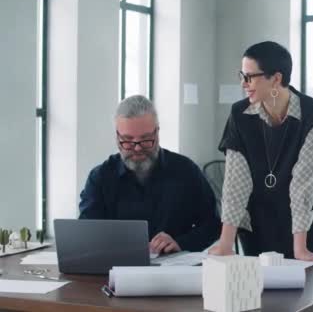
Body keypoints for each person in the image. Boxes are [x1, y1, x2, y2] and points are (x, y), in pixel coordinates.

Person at [209, 41, 313, 262]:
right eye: (241, 76)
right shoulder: (240, 114)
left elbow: (303, 182)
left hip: (303, 231)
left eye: (250, 77)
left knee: (303, 295)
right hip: (257, 225)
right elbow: (237, 181)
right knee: (256, 294)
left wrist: (300, 249)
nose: (244, 84)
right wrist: (225, 243)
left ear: (276, 78)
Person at [79, 95, 221, 254]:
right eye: (128, 141)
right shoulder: (100, 177)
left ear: (157, 132)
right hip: (116, 269)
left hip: (176, 268)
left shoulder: (186, 171)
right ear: (117, 137)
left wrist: (181, 243)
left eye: (146, 140)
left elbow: (213, 225)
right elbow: (87, 234)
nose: (137, 148)